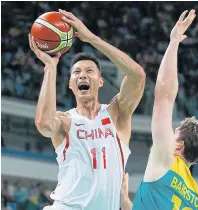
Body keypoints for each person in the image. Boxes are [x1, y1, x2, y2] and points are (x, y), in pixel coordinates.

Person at [28, 9, 145, 210]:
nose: (83, 75)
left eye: (89, 71)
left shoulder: (117, 114)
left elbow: (137, 76)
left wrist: (92, 39)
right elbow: (44, 125)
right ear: (71, 84)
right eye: (77, 73)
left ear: (100, 82)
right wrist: (50, 67)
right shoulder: (66, 121)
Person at [120, 10, 198, 210]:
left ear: (179, 146)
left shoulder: (167, 161)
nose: (167, 137)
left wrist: (174, 42)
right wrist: (126, 204)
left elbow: (164, 97)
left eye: (173, 135)